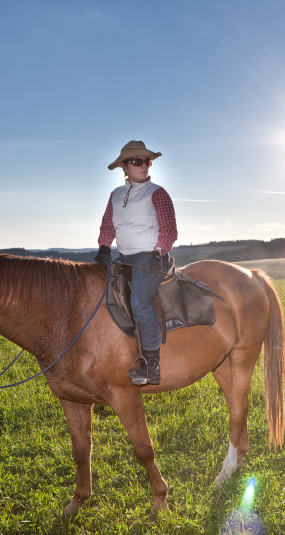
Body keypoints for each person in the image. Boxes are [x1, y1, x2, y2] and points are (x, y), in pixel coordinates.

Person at [95, 140, 178, 386]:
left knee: (139, 302)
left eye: (147, 161)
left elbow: (169, 229)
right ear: (125, 166)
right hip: (124, 258)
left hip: (151, 259)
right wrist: (102, 247)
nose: (144, 165)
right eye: (138, 161)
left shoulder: (157, 193)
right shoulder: (115, 195)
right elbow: (108, 226)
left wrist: (158, 251)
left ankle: (151, 365)